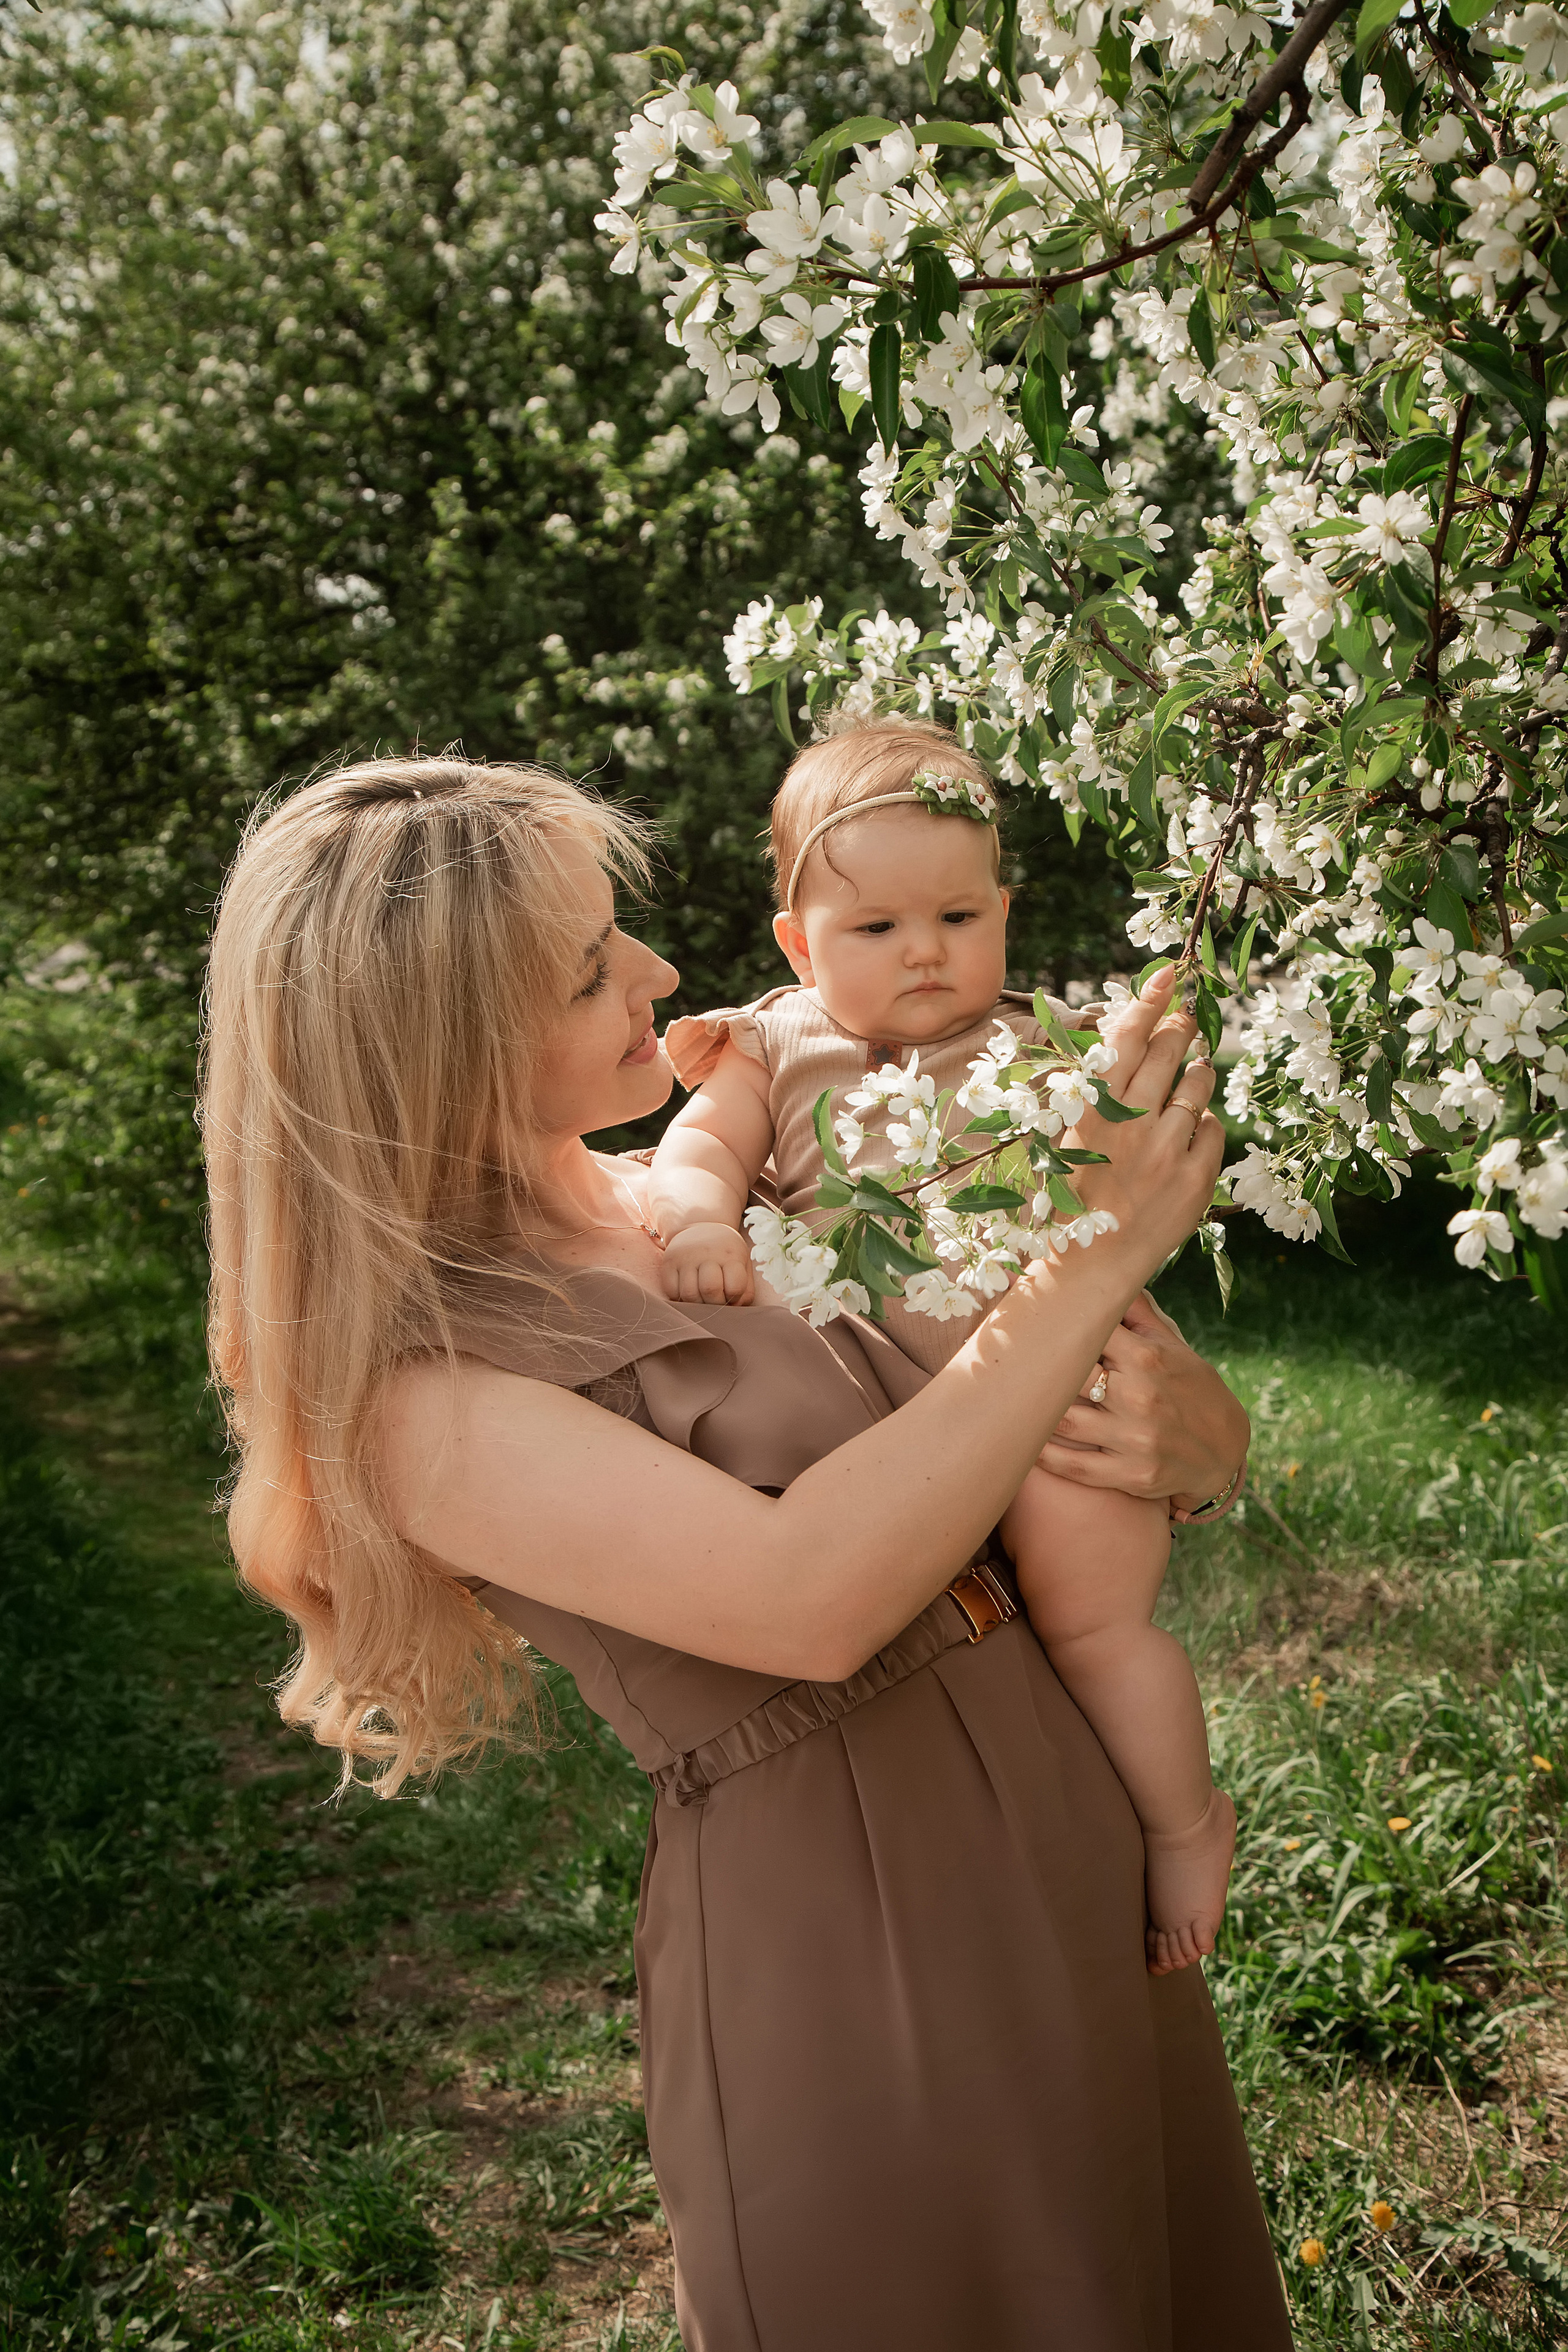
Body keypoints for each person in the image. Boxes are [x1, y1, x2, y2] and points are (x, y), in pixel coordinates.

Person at [203, 755, 1289, 2352]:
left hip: (1066, 1824)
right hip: (857, 1934)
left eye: (619, 936)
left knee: (1144, 2285)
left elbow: (1011, 1399)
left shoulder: (696, 1192)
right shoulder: (421, 1396)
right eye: (589, 971)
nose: (655, 973)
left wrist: (1202, 1451)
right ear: (437, 1049)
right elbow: (811, 1598)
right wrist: (1097, 1243)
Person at [649, 718, 1236, 1974]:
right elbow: (695, 1149)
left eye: (958, 919)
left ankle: (1184, 1823)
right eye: (874, 931)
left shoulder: (1041, 1049)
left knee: (1096, 1628)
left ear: (1004, 916)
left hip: (1062, 1400)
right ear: (798, 946)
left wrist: (1138, 1068)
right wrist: (701, 1220)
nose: (924, 951)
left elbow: (1134, 1165)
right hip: (892, 1428)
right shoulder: (773, 1043)